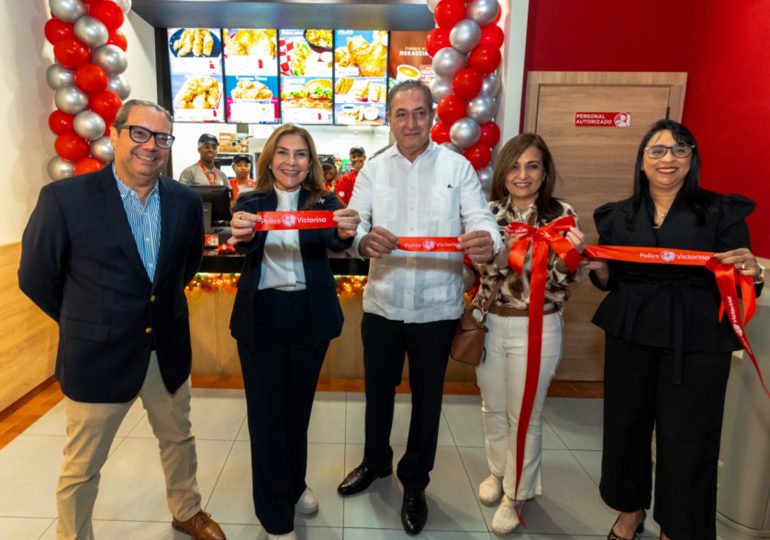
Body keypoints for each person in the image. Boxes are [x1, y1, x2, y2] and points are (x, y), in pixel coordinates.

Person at [18, 99, 225, 540]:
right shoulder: (65, 199)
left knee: (178, 440)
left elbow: (186, 267)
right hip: (97, 355)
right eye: (139, 133)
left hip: (165, 350)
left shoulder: (185, 201)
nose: (150, 146)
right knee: (83, 465)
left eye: (162, 137)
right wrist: (86, 317)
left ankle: (186, 510)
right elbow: (36, 277)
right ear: (114, 134)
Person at [337, 80, 502, 535]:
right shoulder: (373, 170)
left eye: (419, 113)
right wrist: (360, 239)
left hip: (437, 308)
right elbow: (355, 223)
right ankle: (375, 463)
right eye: (400, 114)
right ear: (388, 119)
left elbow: (482, 219)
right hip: (383, 305)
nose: (410, 122)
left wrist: (490, 238)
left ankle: (415, 482)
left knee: (428, 401)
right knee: (378, 394)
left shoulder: (458, 168)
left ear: (432, 116)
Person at [587, 119, 764, 540]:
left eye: (680, 150)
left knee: (688, 438)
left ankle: (677, 528)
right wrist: (599, 272)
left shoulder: (721, 212)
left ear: (692, 160)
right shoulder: (617, 216)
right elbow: (610, 279)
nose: (669, 158)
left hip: (697, 338)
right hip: (631, 331)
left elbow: (743, 276)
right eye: (658, 150)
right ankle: (630, 513)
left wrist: (753, 273)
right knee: (625, 428)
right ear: (642, 161)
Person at [228, 124, 361, 540]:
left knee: (296, 412)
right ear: (270, 158)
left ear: (311, 161)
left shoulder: (324, 200)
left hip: (308, 316)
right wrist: (240, 234)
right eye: (283, 153)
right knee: (266, 418)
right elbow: (245, 246)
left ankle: (294, 483)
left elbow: (337, 243)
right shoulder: (250, 200)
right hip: (262, 316)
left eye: (300, 154)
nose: (291, 161)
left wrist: (345, 230)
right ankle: (275, 518)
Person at [473, 134, 585, 535]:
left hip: (538, 326)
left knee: (526, 416)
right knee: (493, 408)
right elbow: (483, 275)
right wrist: (496, 257)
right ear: (503, 173)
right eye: (515, 166)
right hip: (490, 324)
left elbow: (560, 283)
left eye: (532, 166)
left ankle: (516, 493)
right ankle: (498, 471)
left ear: (544, 173)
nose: (523, 175)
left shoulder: (561, 215)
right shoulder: (485, 213)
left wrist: (571, 257)